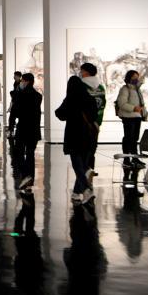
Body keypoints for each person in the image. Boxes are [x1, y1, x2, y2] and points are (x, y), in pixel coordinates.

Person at [55, 74, 98, 203]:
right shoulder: (90, 98)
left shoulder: (70, 99)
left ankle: (86, 190)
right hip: (88, 136)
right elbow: (94, 116)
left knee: (78, 166)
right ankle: (75, 193)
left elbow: (59, 114)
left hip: (73, 135)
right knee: (82, 166)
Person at [11, 72, 43, 187]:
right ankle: (30, 179)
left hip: (23, 128)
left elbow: (15, 112)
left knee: (18, 153)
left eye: (22, 81)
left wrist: (16, 95)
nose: (21, 83)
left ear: (26, 81)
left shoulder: (20, 95)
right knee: (30, 155)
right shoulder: (38, 96)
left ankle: (26, 175)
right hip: (34, 129)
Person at [79, 62, 106, 181]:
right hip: (96, 121)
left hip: (84, 122)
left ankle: (84, 170)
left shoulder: (81, 86)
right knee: (93, 146)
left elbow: (80, 105)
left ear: (86, 72)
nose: (80, 73)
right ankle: (91, 168)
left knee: (83, 147)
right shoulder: (101, 87)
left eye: (82, 71)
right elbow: (102, 104)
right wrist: (97, 120)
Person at [116, 69, 146, 166]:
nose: (136, 79)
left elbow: (141, 103)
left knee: (134, 139)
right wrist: (133, 108)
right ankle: (126, 159)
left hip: (137, 117)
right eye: (134, 77)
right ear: (129, 78)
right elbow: (121, 103)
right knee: (128, 138)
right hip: (128, 117)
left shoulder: (137, 89)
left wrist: (143, 113)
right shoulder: (125, 89)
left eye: (137, 77)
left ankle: (135, 158)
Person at [8, 71, 23, 136]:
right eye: (14, 75)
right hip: (15, 102)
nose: (14, 77)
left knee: (14, 117)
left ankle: (15, 131)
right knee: (11, 118)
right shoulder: (15, 83)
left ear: (19, 76)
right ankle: (11, 131)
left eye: (15, 76)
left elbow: (20, 93)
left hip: (19, 103)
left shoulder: (21, 83)